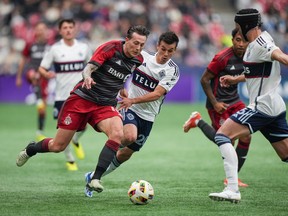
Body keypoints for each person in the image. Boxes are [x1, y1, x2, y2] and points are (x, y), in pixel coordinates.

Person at [16, 25, 150, 194]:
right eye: (135, 43)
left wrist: (122, 88)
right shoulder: (110, 48)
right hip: (82, 99)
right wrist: (87, 77)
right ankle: (31, 149)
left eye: (142, 45)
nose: (138, 48)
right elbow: (89, 68)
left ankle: (95, 178)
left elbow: (122, 73)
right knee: (58, 146)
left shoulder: (138, 59)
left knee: (118, 134)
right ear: (127, 39)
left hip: (105, 104)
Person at [84, 31, 180, 197]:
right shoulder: (142, 57)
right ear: (157, 45)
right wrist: (122, 87)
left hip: (148, 117)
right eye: (163, 49)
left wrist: (133, 100)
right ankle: (112, 141)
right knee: (129, 136)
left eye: (170, 51)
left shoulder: (172, 71)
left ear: (175, 50)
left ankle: (93, 176)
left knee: (126, 153)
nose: (165, 54)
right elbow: (122, 68)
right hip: (130, 108)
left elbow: (157, 94)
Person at [208, 8, 288, 203]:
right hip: (274, 105)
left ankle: (232, 189)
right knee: (286, 154)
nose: (236, 30)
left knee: (222, 135)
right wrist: (235, 80)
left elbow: (281, 57)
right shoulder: (255, 43)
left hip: (262, 106)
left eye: (237, 26)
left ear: (244, 25)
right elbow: (257, 71)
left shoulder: (262, 43)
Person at [183, 28, 251, 187]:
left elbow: (249, 75)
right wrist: (214, 103)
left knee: (246, 135)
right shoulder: (222, 58)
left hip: (235, 101)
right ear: (232, 40)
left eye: (244, 41)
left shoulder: (250, 56)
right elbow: (204, 80)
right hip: (218, 104)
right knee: (227, 139)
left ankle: (232, 178)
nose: (241, 44)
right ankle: (198, 121)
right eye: (237, 40)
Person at [38, 18, 92, 171]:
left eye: (70, 27)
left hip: (82, 94)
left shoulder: (84, 47)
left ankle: (75, 140)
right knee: (64, 130)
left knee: (84, 127)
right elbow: (42, 68)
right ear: (60, 31)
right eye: (65, 28)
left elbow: (93, 66)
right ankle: (70, 159)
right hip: (62, 97)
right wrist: (47, 74)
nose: (68, 30)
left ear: (75, 30)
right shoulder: (54, 49)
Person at [15, 22, 51, 141]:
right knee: (34, 75)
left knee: (42, 109)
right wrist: (19, 77)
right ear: (35, 31)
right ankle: (37, 94)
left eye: (43, 29)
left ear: (46, 31)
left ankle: (39, 131)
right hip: (31, 72)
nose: (40, 31)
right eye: (38, 29)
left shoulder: (50, 46)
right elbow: (23, 60)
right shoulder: (30, 44)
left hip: (44, 77)